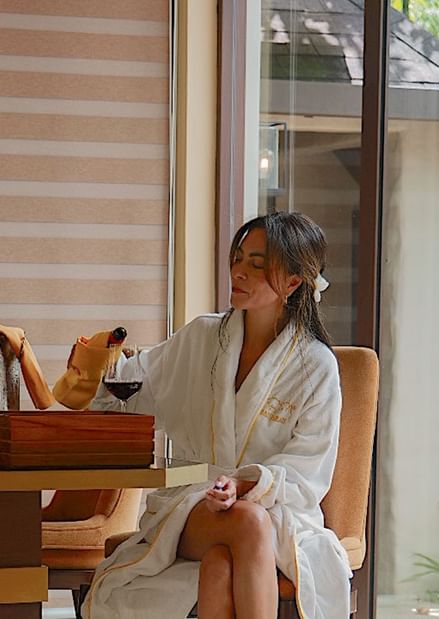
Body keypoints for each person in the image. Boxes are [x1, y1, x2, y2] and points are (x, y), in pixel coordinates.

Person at [82, 212, 350, 619]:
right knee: (248, 524)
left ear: (293, 283)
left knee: (221, 567)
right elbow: (123, 392)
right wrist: (96, 365)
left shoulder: (315, 366)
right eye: (238, 258)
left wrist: (245, 484)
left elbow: (309, 471)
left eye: (257, 265)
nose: (239, 271)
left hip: (279, 515)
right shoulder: (203, 337)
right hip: (194, 507)